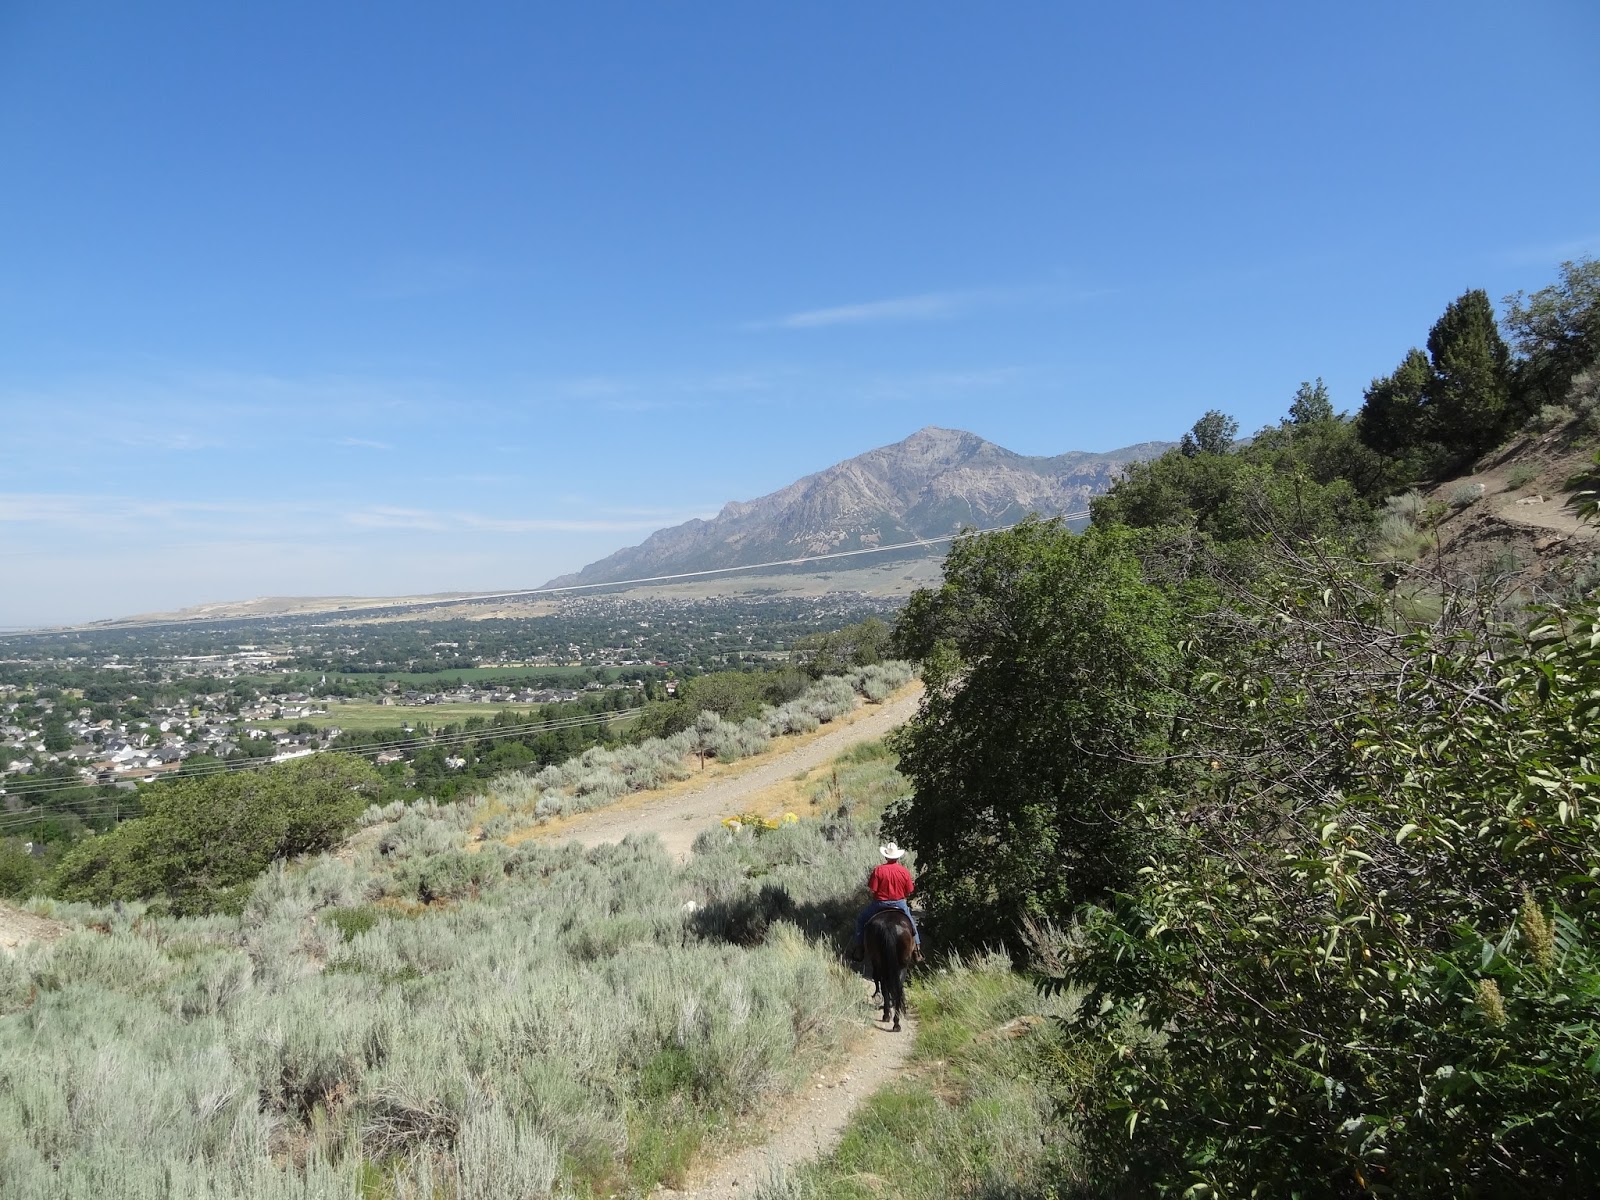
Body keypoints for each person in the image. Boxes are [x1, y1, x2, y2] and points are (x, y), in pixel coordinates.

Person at [851, 841, 920, 956]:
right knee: (912, 924)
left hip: (880, 903)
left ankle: (859, 947)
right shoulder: (904, 871)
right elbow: (909, 890)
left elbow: (873, 889)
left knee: (861, 920)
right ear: (897, 857)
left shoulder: (878, 870)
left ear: (885, 856)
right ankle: (917, 949)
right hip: (900, 904)